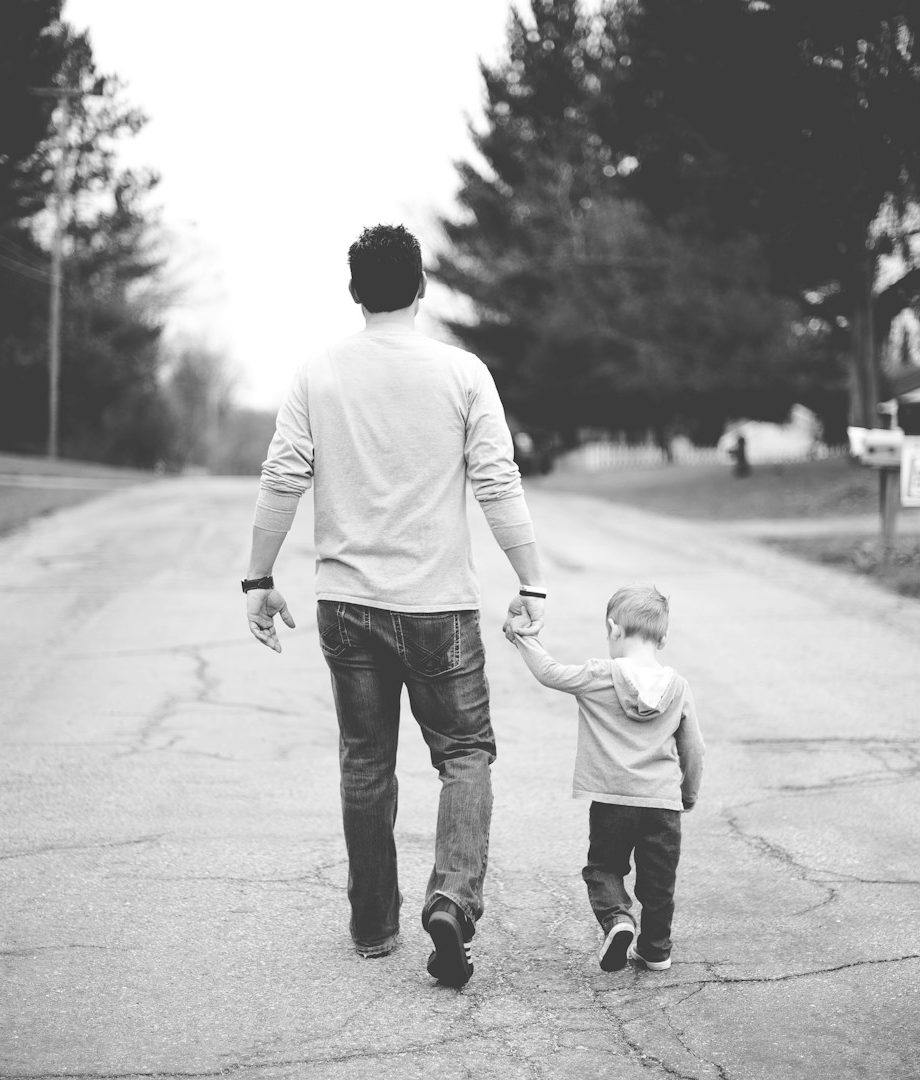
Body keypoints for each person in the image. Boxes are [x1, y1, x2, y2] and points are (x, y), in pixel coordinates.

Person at [242, 224, 546, 988]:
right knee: (465, 754)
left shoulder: (318, 374)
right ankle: (452, 900)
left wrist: (258, 578)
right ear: (421, 288)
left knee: (366, 761)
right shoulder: (462, 372)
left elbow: (283, 477)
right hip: (438, 606)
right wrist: (530, 580)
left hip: (348, 604)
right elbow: (497, 481)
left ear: (355, 292)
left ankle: (374, 925)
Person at [505, 585, 704, 972]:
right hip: (662, 804)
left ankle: (617, 921)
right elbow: (694, 748)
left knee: (604, 868)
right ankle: (656, 950)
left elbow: (550, 672)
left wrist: (523, 638)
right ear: (663, 639)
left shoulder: (601, 674)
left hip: (612, 801)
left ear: (614, 629)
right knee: (658, 883)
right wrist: (688, 794)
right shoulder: (679, 688)